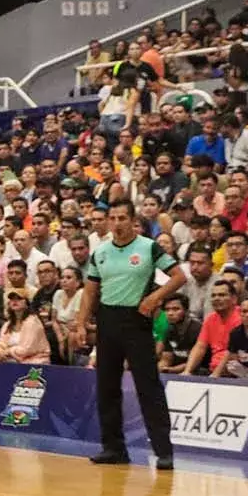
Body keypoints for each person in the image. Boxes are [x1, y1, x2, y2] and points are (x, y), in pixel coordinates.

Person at [76, 199, 185, 469]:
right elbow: (90, 290)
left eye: (122, 218)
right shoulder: (100, 252)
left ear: (133, 220)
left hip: (136, 320)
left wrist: (154, 298)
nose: (117, 223)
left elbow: (179, 276)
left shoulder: (148, 247)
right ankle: (113, 448)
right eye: (112, 218)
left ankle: (163, 451)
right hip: (107, 319)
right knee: (107, 387)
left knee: (148, 386)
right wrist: (80, 323)